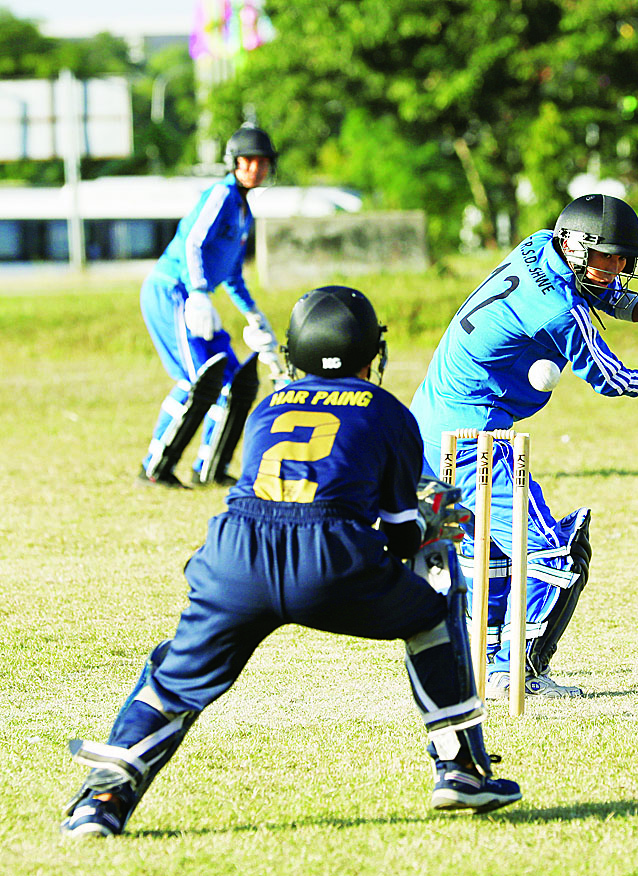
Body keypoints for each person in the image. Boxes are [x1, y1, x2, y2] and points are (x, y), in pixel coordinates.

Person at [61, 285, 522, 839]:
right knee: (435, 588)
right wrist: (430, 524)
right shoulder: (387, 411)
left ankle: (101, 801)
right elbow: (404, 532)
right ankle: (460, 767)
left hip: (235, 556)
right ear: (370, 352)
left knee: (173, 682)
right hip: (329, 560)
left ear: (295, 350)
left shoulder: (268, 407)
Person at [409, 193, 638, 699]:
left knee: (488, 551)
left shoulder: (539, 245)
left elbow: (598, 291)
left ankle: (485, 666)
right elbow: (615, 380)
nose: (616, 269)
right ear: (576, 246)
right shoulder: (559, 309)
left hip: (431, 427)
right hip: (475, 436)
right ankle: (515, 674)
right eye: (607, 257)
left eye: (622, 260)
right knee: (557, 554)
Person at [138, 123, 284, 489]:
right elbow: (193, 243)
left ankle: (210, 467)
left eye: (262, 161)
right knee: (199, 380)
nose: (255, 168)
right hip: (172, 291)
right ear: (234, 162)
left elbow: (232, 274)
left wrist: (253, 313)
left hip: (193, 295)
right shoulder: (221, 194)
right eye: (248, 160)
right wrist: (200, 293)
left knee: (236, 382)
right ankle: (154, 468)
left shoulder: (244, 211)